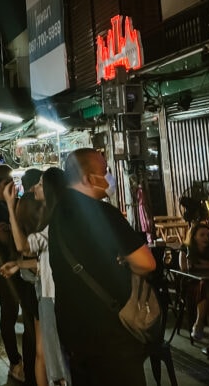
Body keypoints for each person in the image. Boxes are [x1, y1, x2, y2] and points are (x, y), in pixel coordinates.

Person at [49, 148, 156, 386]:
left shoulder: (56, 215)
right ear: (88, 178)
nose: (109, 176)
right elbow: (146, 263)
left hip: (73, 333)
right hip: (111, 333)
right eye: (105, 170)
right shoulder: (103, 213)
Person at [1, 168, 71, 386]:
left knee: (56, 360)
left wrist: (10, 207)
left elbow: (23, 246)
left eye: (40, 184)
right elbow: (47, 261)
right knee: (51, 355)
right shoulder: (59, 219)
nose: (34, 188)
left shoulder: (56, 222)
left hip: (53, 295)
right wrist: (19, 264)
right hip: (50, 293)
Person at [0, 163, 36, 384]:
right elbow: (8, 239)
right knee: (9, 313)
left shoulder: (20, 202)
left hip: (26, 265)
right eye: (6, 182)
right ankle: (15, 361)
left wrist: (11, 226)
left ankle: (31, 364)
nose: (12, 185)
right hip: (5, 265)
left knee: (30, 315)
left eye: (12, 180)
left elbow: (26, 234)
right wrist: (14, 229)